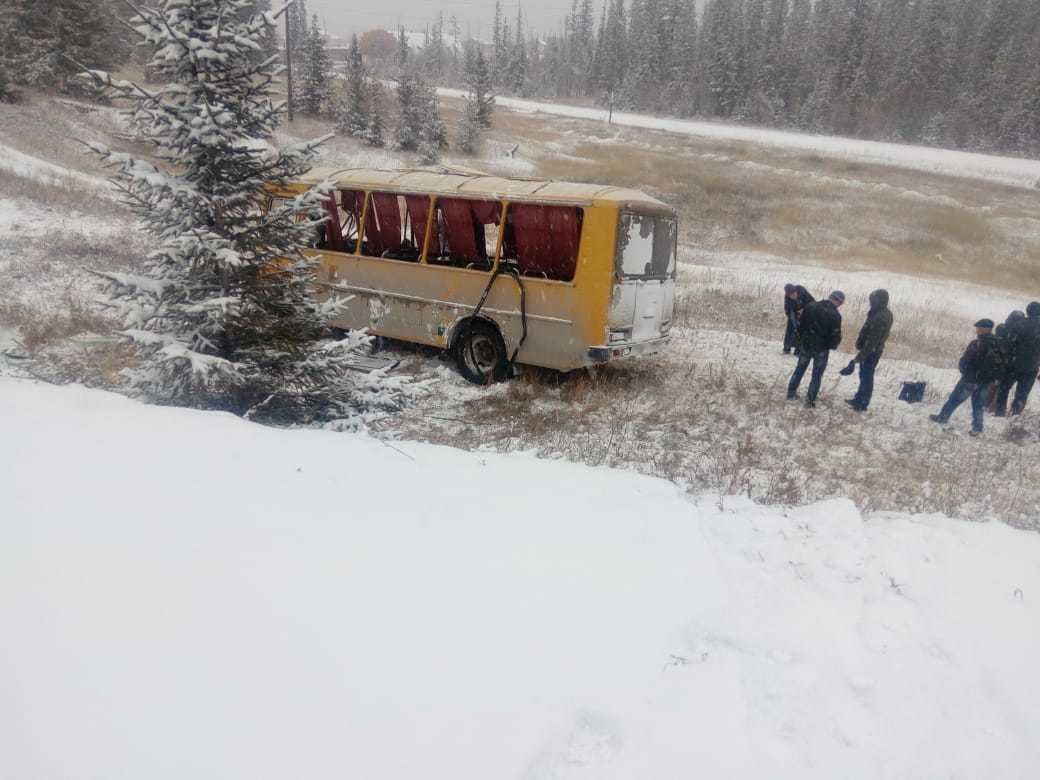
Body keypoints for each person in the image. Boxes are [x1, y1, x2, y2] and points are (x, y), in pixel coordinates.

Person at [930, 319, 1003, 436]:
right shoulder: (998, 344)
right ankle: (977, 428)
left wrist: (964, 370)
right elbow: (1001, 364)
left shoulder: (976, 343)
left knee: (954, 399)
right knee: (978, 405)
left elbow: (966, 360)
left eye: (979, 327)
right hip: (986, 381)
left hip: (971, 379)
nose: (977, 330)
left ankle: (943, 417)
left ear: (985, 329)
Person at [787, 290, 844, 408]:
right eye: (841, 303)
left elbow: (801, 325)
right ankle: (810, 400)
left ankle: (791, 393)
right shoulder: (835, 315)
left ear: (830, 297)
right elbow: (835, 336)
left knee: (799, 369)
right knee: (817, 375)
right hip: (821, 349)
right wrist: (831, 345)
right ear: (838, 302)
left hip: (806, 344)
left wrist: (802, 339)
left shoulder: (811, 306)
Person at [845, 289, 893, 412]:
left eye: (873, 300)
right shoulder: (881, 313)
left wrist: (858, 358)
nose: (871, 302)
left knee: (866, 377)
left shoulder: (880, 317)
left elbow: (872, 342)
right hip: (872, 350)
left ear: (880, 301)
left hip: (871, 352)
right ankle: (858, 399)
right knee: (864, 376)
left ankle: (862, 403)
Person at [996, 302, 1040, 416]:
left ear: (1028, 311)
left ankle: (999, 413)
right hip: (1032, 367)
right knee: (1022, 394)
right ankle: (1015, 415)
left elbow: (1008, 343)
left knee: (1004, 389)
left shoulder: (1019, 324)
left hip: (1013, 364)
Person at [783, 284, 815, 355]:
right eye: (791, 295)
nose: (793, 296)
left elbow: (813, 303)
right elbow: (787, 311)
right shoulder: (787, 299)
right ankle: (786, 348)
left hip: (806, 315)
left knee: (802, 333)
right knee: (790, 330)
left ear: (796, 291)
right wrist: (794, 317)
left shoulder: (803, 292)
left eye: (794, 294)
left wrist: (804, 310)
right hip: (794, 315)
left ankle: (798, 350)